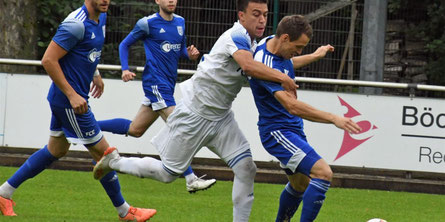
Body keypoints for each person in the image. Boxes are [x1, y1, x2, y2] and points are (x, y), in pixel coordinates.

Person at [94, 0, 299, 221]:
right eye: (256, 14)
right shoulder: (236, 36)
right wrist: (283, 77)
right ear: (241, 16)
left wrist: (313, 56)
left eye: (265, 15)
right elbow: (249, 66)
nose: (261, 20)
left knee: (247, 169)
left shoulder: (253, 42)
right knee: (167, 174)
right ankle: (113, 161)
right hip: (194, 114)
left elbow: (275, 60)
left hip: (221, 118)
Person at [0, 0, 157, 221]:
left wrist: (95, 74)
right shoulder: (75, 24)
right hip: (69, 103)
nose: (105, 0)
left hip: (66, 100)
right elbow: (48, 60)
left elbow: (88, 51)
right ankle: (125, 212)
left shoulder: (100, 17)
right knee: (105, 155)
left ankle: (4, 193)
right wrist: (72, 94)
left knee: (56, 150)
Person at [249, 15, 362, 221]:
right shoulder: (264, 65)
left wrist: (314, 55)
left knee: (300, 185)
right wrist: (333, 118)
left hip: (292, 129)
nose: (299, 52)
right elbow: (291, 106)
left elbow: (288, 63)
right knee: (323, 173)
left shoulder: (273, 44)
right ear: (284, 38)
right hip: (278, 133)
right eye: (298, 46)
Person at [96, 0, 216, 193]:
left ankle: (87, 126)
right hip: (155, 83)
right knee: (180, 125)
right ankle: (190, 178)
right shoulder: (147, 23)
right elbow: (124, 44)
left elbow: (180, 51)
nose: (171, 0)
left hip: (167, 85)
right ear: (157, 1)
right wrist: (125, 69)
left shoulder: (180, 22)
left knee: (135, 129)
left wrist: (190, 55)